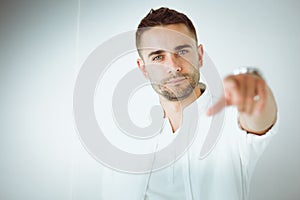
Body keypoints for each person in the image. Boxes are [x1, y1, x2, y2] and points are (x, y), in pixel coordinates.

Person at [100, 7, 278, 200]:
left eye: (182, 51)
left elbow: (259, 119)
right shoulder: (125, 140)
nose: (173, 67)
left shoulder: (230, 121)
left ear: (200, 56)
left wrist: (253, 90)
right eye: (158, 57)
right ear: (143, 69)